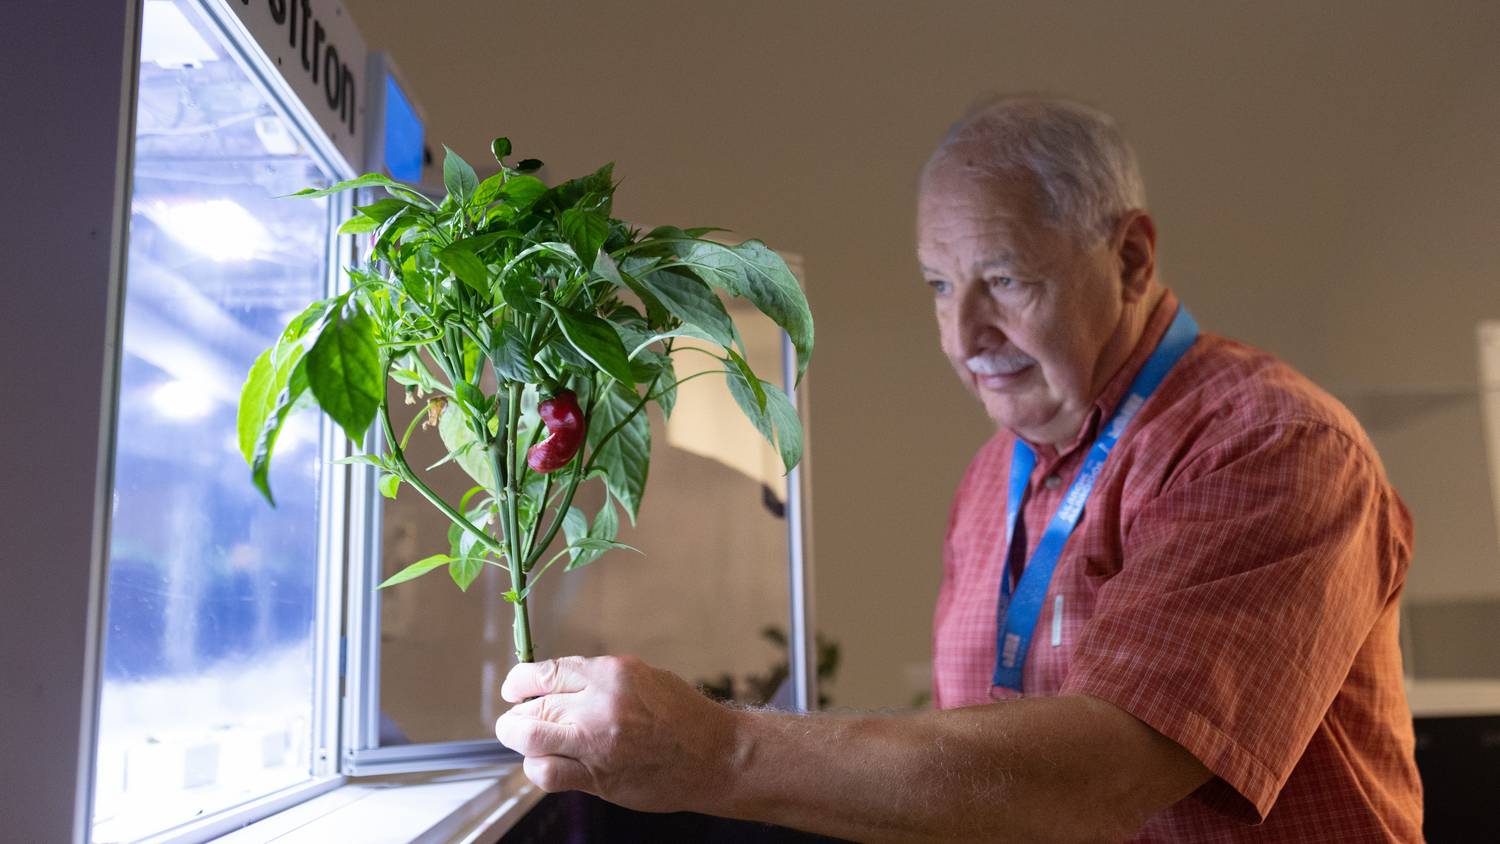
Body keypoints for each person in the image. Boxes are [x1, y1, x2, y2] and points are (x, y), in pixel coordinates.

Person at [495, 96, 1423, 842]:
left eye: (1006, 281)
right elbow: (984, 796)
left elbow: (1106, 781)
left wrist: (722, 752)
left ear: (1133, 258)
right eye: (940, 286)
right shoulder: (994, 476)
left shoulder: (1273, 445)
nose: (964, 336)